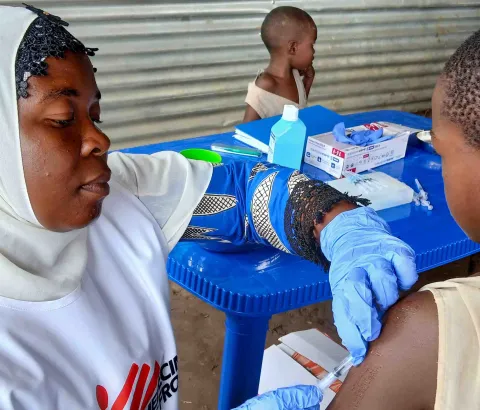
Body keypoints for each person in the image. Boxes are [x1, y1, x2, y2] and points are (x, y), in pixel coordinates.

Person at [0, 4, 417, 409]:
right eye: (61, 118)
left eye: (95, 115)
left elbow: (246, 191)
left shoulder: (119, 193)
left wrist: (343, 231)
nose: (99, 140)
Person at [243, 7, 317, 122]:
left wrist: (308, 81)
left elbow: (297, 112)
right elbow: (247, 130)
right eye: (311, 45)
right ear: (293, 48)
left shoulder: (295, 74)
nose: (314, 51)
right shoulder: (266, 84)